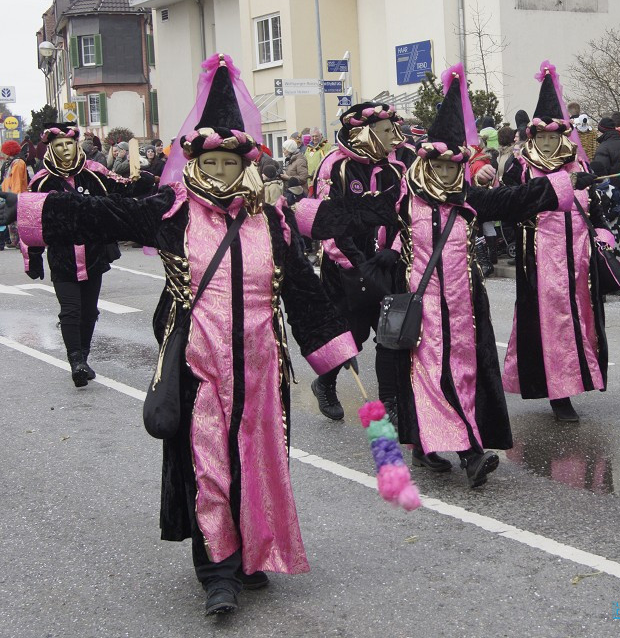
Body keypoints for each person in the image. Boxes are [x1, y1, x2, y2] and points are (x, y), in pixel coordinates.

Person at [3, 54, 373, 618]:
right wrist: (30, 208)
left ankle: (253, 555)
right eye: (211, 161)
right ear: (195, 161)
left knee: (259, 458)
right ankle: (217, 572)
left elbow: (300, 290)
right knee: (210, 464)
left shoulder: (269, 221)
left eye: (230, 161)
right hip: (199, 365)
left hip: (262, 365)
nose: (221, 172)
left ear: (244, 165)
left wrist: (333, 350)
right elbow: (101, 213)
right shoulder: (172, 213)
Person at [316, 66, 591, 486]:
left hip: (466, 311)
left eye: (451, 168)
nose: (445, 175)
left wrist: (561, 185)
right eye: (439, 167)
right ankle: (467, 452)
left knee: (465, 376)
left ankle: (445, 445)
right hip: (422, 310)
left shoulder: (469, 201)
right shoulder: (402, 201)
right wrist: (293, 218)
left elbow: (516, 198)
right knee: (430, 377)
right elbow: (348, 216)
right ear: (426, 163)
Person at [502, 62, 612, 423]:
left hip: (578, 260)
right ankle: (557, 391)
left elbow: (594, 207)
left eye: (553, 137)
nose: (548, 143)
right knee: (550, 323)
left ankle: (577, 378)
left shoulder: (578, 165)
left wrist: (602, 230)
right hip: (539, 260)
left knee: (579, 321)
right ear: (533, 138)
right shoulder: (519, 167)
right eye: (542, 138)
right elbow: (508, 206)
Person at [293, 102, 407, 422]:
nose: (393, 137)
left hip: (386, 260)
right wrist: (355, 264)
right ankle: (325, 384)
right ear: (364, 133)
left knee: (393, 334)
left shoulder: (393, 166)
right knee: (350, 336)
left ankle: (391, 402)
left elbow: (407, 212)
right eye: (385, 132)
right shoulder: (335, 166)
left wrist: (395, 249)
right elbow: (328, 223)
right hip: (347, 265)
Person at [21, 124, 154, 385]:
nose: (65, 149)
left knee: (89, 311)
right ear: (51, 149)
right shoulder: (41, 181)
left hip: (93, 253)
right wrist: (32, 256)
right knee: (70, 310)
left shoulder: (94, 173)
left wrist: (143, 181)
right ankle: (76, 361)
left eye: (69, 144)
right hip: (62, 256)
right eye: (59, 145)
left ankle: (84, 355)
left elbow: (122, 188)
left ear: (76, 146)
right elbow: (30, 222)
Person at [1, 140, 27, 247]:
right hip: (9, 193)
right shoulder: (11, 163)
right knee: (12, 220)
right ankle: (15, 241)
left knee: (17, 219)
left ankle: (20, 241)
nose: (3, 154)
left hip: (15, 195)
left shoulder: (18, 163)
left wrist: (15, 196)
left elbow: (17, 181)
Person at [281, 139, 308, 204]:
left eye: (284, 149)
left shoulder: (300, 160)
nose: (283, 151)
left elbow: (303, 178)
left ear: (290, 150)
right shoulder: (290, 159)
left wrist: (288, 177)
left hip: (298, 196)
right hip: (291, 194)